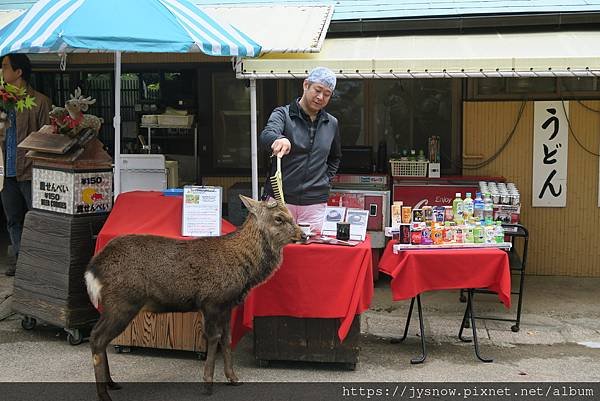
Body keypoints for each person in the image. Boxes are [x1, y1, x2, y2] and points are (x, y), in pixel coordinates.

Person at [260, 66, 342, 232]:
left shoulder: (332, 123)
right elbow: (267, 134)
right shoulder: (283, 114)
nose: (320, 97)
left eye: (327, 94)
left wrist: (325, 180)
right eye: (317, 90)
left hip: (314, 203)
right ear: (306, 85)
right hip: (280, 200)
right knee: (273, 251)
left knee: (311, 252)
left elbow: (335, 157)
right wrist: (279, 139)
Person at [0, 54, 51, 276]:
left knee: (36, 218)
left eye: (4, 67)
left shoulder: (39, 101)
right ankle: (20, 259)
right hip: (5, 170)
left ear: (18, 72)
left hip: (31, 171)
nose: (2, 71)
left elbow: (48, 138)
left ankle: (37, 261)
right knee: (12, 219)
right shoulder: (2, 100)